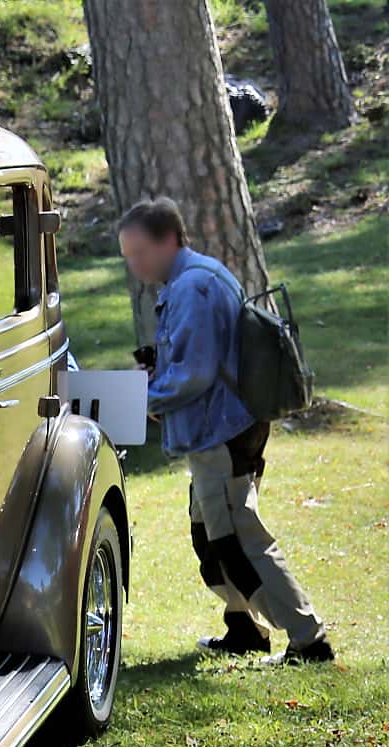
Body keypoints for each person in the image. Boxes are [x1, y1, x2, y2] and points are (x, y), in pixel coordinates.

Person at [115, 198, 333, 665]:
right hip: (222, 429)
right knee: (208, 532)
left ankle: (309, 639)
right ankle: (244, 629)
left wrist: (145, 400)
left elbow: (194, 373)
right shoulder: (194, 277)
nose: (134, 265)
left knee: (237, 536)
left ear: (169, 240)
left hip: (223, 431)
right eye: (127, 256)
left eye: (139, 253)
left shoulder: (193, 286)